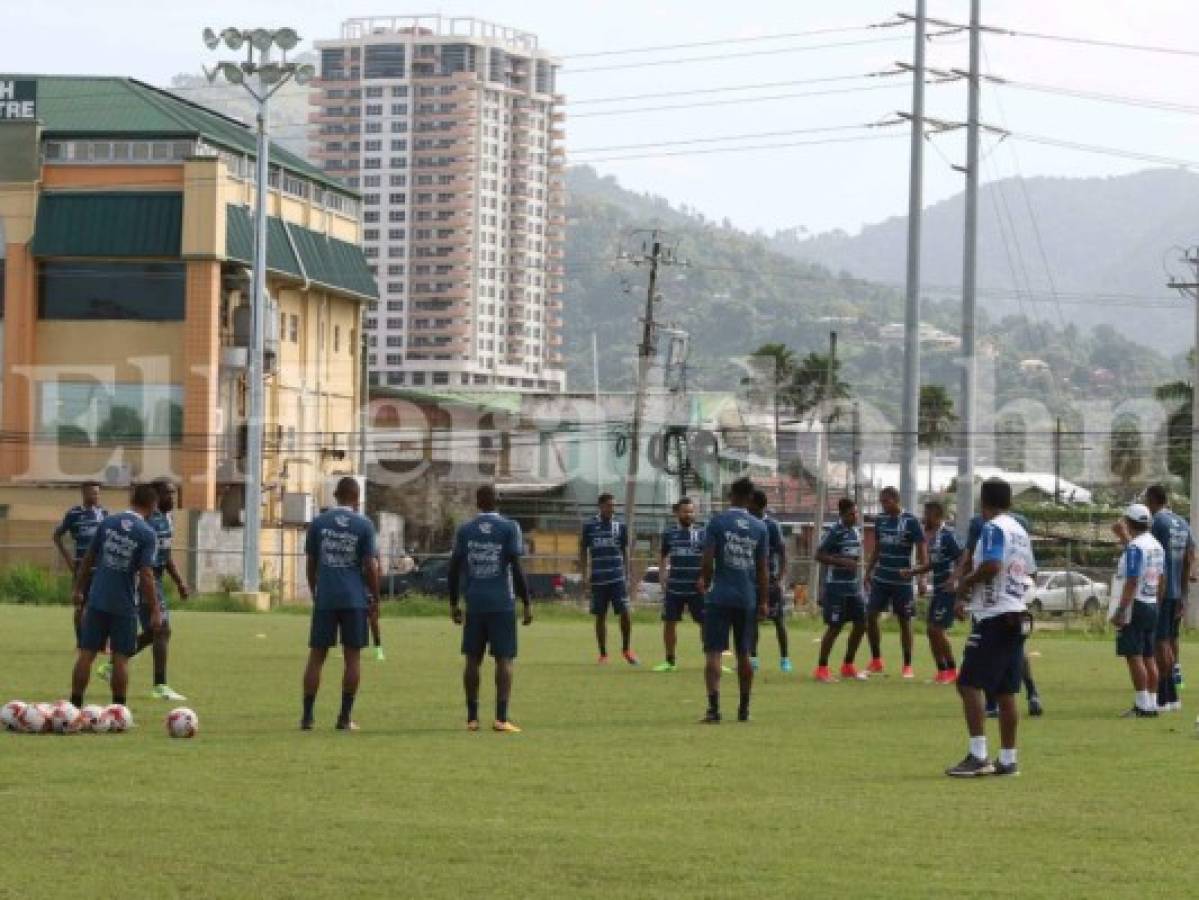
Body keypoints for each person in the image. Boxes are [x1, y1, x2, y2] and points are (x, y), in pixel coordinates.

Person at [946, 478, 1036, 777]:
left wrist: (965, 582)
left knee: (967, 683)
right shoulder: (1021, 531)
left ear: (983, 502)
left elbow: (993, 565)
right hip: (1016, 614)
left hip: (995, 617)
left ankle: (978, 755)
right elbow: (1028, 572)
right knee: (1005, 691)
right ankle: (1008, 759)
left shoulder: (993, 528)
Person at [68, 483, 162, 712]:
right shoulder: (147, 534)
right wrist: (155, 610)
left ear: (132, 499)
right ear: (152, 506)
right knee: (120, 659)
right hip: (124, 605)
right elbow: (147, 575)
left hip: (97, 599)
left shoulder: (108, 522)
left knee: (87, 654)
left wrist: (79, 589)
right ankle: (118, 710)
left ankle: (74, 706)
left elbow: (89, 557)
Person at [448, 485, 532, 733]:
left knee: (472, 659)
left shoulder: (466, 530)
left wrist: (454, 603)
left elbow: (453, 568)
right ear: (497, 501)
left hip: (474, 603)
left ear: (477, 502)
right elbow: (516, 567)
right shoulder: (509, 527)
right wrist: (526, 602)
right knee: (504, 660)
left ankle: (472, 718)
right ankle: (501, 718)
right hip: (502, 603)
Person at [301, 477, 381, 732]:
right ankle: (344, 718)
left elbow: (311, 563)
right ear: (357, 499)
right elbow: (370, 565)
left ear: (335, 495)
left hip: (326, 597)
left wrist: (316, 591)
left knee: (317, 656)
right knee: (352, 657)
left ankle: (307, 717)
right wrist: (375, 597)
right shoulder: (364, 525)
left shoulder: (318, 523)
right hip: (354, 599)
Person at [698, 477, 768, 724]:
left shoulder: (717, 522)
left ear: (730, 495)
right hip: (746, 597)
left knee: (713, 654)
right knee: (744, 654)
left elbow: (708, 559)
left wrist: (706, 582)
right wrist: (763, 601)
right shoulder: (760, 528)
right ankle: (744, 709)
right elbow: (762, 570)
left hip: (720, 596)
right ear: (750, 498)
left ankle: (714, 709)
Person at [959, 513, 1043, 717]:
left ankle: (990, 705)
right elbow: (1031, 572)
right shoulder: (1019, 526)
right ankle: (1032, 693)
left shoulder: (984, 525)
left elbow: (972, 560)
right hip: (1016, 604)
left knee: (980, 662)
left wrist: (964, 586)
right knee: (1015, 650)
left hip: (992, 604)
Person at [123, 479, 189, 700]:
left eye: (175, 494)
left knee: (155, 631)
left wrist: (179, 581)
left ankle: (117, 661)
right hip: (145, 579)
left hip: (157, 579)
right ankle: (160, 686)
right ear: (157, 496)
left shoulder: (168, 520)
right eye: (169, 494)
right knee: (162, 630)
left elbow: (166, 555)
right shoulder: (148, 520)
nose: (173, 498)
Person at [863, 486, 927, 678]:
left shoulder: (911, 521)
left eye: (885, 502)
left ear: (895, 500)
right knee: (870, 616)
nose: (882, 506)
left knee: (904, 621)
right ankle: (876, 660)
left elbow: (923, 554)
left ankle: (907, 664)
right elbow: (878, 548)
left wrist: (921, 578)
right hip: (881, 578)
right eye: (881, 502)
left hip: (903, 582)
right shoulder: (881, 520)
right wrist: (868, 571)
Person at [1110, 504, 1165, 718]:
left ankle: (1142, 704)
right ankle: (1151, 702)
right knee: (1149, 655)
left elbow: (1132, 580)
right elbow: (1161, 578)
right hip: (1151, 602)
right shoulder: (1157, 545)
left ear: (1129, 522)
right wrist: (1157, 603)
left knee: (1134, 655)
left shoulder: (1135, 547)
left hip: (1136, 603)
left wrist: (1121, 610)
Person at [902, 500, 963, 683]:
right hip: (937, 590)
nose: (923, 518)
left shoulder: (947, 536)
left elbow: (961, 560)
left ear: (937, 516)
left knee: (936, 629)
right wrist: (913, 572)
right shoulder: (934, 537)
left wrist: (954, 581)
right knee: (930, 631)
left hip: (947, 591)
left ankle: (952, 670)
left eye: (926, 514)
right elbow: (933, 564)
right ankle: (942, 671)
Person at [1145, 484, 1193, 711]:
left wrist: (1157, 595)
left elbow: (1152, 557)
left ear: (1152, 500)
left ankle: (1164, 697)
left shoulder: (1158, 523)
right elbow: (1188, 560)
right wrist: (1184, 595)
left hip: (1162, 593)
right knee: (1171, 642)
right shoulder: (1182, 522)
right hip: (1176, 592)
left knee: (1160, 643)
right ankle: (1174, 693)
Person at [813, 498, 869, 683]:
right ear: (842, 515)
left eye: (856, 513)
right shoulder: (834, 531)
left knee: (862, 624)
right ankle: (821, 668)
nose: (855, 516)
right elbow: (819, 555)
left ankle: (848, 665)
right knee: (835, 627)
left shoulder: (856, 531)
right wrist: (842, 562)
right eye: (852, 513)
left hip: (854, 588)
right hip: (836, 588)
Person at [579, 493, 638, 665]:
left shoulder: (620, 526)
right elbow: (583, 550)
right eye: (609, 505)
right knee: (600, 616)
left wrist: (628, 574)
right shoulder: (590, 526)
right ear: (601, 506)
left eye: (614, 505)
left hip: (617, 579)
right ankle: (603, 654)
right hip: (598, 579)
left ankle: (626, 650)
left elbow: (625, 551)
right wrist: (584, 575)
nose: (613, 509)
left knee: (625, 614)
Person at [653, 498, 705, 673]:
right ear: (677, 513)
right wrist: (662, 575)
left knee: (706, 624)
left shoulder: (702, 534)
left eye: (691, 511)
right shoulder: (669, 534)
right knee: (669, 623)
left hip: (696, 589)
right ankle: (670, 661)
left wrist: (705, 577)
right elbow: (661, 554)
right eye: (685, 511)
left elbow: (709, 558)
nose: (689, 515)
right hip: (674, 588)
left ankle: (713, 660)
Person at [53, 481, 107, 647]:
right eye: (92, 493)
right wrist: (69, 560)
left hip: (101, 569)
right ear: (84, 494)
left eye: (97, 493)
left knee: (103, 606)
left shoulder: (104, 513)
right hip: (81, 569)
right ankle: (80, 642)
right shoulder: (74, 514)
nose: (96, 496)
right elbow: (57, 536)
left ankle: (102, 644)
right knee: (80, 605)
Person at [747, 489, 792, 673]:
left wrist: (780, 576)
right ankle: (754, 658)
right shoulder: (746, 524)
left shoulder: (772, 526)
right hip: (750, 580)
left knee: (778, 621)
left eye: (750, 503)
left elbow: (782, 552)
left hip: (770, 580)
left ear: (758, 505)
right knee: (752, 621)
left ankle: (784, 659)